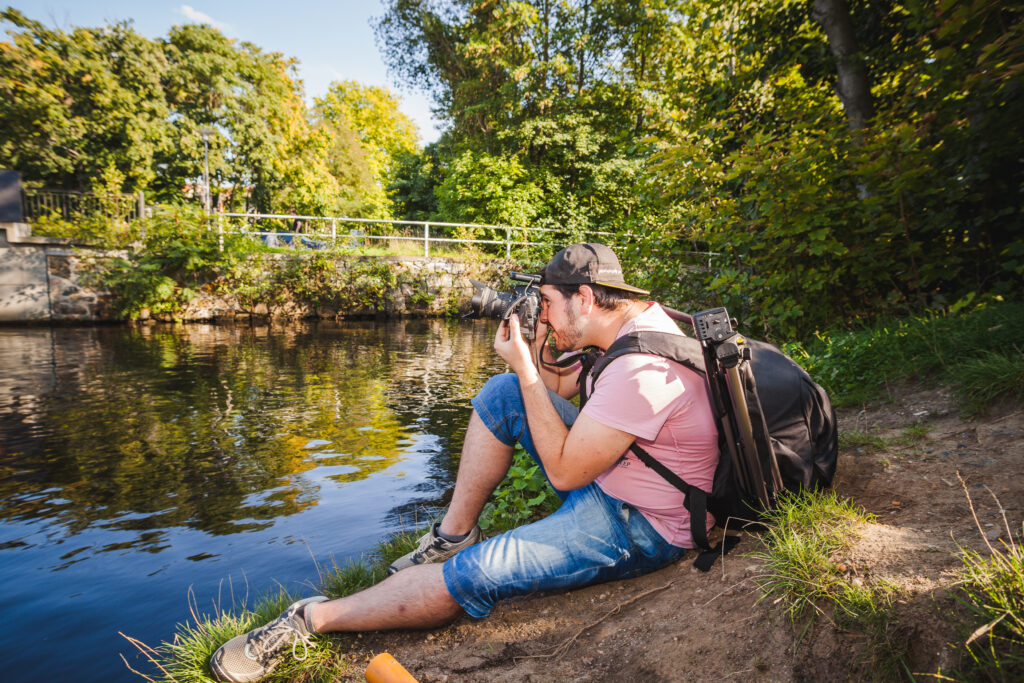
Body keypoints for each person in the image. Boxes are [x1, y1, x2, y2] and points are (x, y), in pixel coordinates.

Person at [209, 243, 720, 683]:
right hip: (625, 477)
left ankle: (309, 620)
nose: (541, 312)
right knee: (504, 394)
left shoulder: (641, 369)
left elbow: (564, 471)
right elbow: (564, 387)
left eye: (546, 303)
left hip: (644, 525)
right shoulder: (638, 325)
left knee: (472, 575)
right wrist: (534, 347)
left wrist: (525, 367)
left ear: (584, 298)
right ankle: (453, 535)